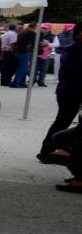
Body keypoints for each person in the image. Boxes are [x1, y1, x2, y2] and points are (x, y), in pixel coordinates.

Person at [38, 23, 82, 164]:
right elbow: (76, 71)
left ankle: (60, 151)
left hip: (74, 91)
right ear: (78, 34)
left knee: (65, 122)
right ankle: (46, 150)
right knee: (62, 122)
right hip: (70, 92)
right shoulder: (72, 50)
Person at [12, 24, 37, 88]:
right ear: (34, 28)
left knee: (22, 68)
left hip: (19, 51)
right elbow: (35, 43)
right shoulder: (32, 33)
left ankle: (21, 82)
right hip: (25, 51)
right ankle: (16, 83)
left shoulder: (22, 32)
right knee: (22, 68)